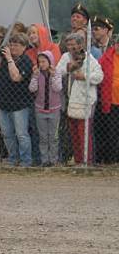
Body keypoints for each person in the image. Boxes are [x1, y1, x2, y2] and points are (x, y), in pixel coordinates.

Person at [56, 32, 104, 165]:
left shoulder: (89, 58)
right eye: (68, 44)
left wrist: (84, 76)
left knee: (84, 133)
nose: (71, 47)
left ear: (80, 45)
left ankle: (87, 161)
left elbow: (99, 76)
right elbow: (58, 71)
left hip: (85, 100)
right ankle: (78, 160)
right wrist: (68, 67)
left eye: (73, 44)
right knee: (74, 133)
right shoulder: (66, 57)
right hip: (70, 99)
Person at [0, 32, 34, 166]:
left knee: (21, 134)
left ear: (24, 47)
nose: (13, 47)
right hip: (3, 102)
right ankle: (12, 158)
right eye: (11, 44)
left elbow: (16, 77)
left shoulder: (26, 61)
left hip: (20, 104)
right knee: (7, 134)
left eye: (17, 45)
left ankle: (26, 160)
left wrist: (9, 59)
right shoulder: (3, 58)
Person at [29, 50, 63, 166]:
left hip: (54, 109)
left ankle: (54, 160)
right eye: (39, 62)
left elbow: (58, 88)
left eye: (44, 61)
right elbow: (32, 89)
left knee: (53, 137)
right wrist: (34, 77)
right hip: (40, 110)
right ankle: (45, 160)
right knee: (43, 137)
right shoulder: (37, 74)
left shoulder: (56, 72)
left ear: (50, 61)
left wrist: (53, 76)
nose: (41, 64)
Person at [96, 36, 119, 164]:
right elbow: (99, 72)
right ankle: (111, 159)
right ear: (114, 44)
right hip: (111, 100)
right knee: (111, 131)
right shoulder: (107, 57)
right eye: (118, 44)